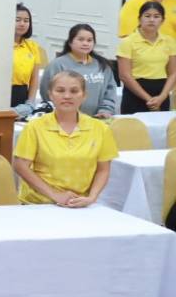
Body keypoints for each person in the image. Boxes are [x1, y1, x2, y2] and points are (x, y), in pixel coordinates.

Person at [13, 71, 117, 207]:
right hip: (38, 204)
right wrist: (55, 195)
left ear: (84, 95)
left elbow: (103, 169)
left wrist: (92, 197)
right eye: (60, 91)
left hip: (80, 203)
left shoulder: (100, 129)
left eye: (74, 91)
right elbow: (21, 166)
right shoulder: (34, 127)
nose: (67, 96)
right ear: (50, 94)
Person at [39, 24, 119, 118]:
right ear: (70, 42)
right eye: (80, 39)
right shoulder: (57, 65)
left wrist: (105, 110)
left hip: (97, 119)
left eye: (89, 40)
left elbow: (110, 92)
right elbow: (46, 92)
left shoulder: (102, 66)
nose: (85, 43)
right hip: (65, 118)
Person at [116, 1, 176, 113]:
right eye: (147, 16)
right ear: (139, 19)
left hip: (161, 93)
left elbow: (173, 73)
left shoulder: (169, 41)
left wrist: (162, 96)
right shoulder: (128, 42)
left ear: (162, 20)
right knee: (134, 129)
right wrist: (148, 99)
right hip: (135, 94)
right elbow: (124, 75)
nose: (152, 20)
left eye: (156, 16)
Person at [12, 4, 47, 107]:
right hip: (2, 93)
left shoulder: (33, 46)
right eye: (17, 20)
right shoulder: (0, 44)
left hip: (22, 94)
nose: (22, 24)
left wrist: (30, 102)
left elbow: (34, 78)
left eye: (26, 20)